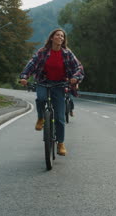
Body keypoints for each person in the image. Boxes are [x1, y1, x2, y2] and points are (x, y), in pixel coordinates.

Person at [19, 28, 84, 156]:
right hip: (44, 82)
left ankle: (60, 143)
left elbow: (79, 67)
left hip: (60, 84)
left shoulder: (67, 53)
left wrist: (75, 77)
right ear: (52, 38)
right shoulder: (42, 52)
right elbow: (32, 64)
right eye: (58, 35)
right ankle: (41, 118)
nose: (60, 37)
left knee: (60, 118)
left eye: (62, 36)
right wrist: (24, 76)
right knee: (41, 98)